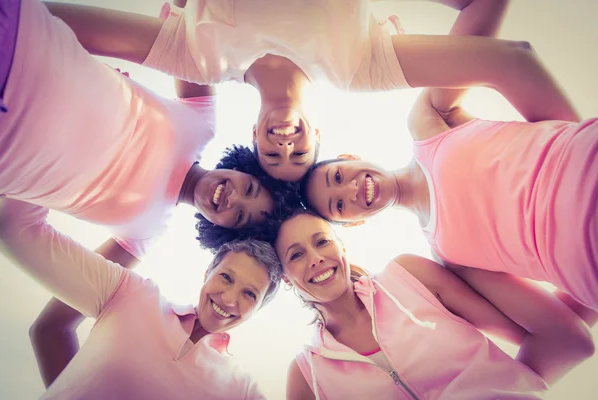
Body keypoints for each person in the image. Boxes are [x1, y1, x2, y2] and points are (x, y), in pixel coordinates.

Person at [0, 0, 281, 386]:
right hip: (21, 39)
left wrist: (25, 172)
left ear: (225, 231)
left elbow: (56, 321)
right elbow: (189, 31)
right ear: (239, 166)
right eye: (248, 187)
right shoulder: (201, 124)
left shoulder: (143, 236)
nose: (234, 198)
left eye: (241, 216)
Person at [45, 0, 573, 183]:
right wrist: (441, 98)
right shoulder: (361, 69)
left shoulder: (196, 58)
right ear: (318, 132)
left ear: (252, 133)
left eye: (272, 153)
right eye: (300, 152)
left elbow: (49, 21)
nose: (285, 142)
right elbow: (511, 60)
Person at [299, 0, 598, 314]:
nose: (351, 189)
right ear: (354, 223)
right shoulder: (448, 259)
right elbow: (556, 321)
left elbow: (503, 39)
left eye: (337, 177)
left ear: (350, 156)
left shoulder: (428, 120)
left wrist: (573, 146)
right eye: (340, 205)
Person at [273, 210, 594, 399]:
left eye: (322, 241)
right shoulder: (306, 376)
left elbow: (531, 334)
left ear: (342, 247)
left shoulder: (408, 277)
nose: (316, 259)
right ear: (286, 278)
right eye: (296, 255)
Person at [0, 198, 282, 399]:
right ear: (208, 271)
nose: (230, 298)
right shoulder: (131, 294)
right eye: (226, 277)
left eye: (249, 294)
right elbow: (13, 227)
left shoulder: (241, 391)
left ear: (259, 307)